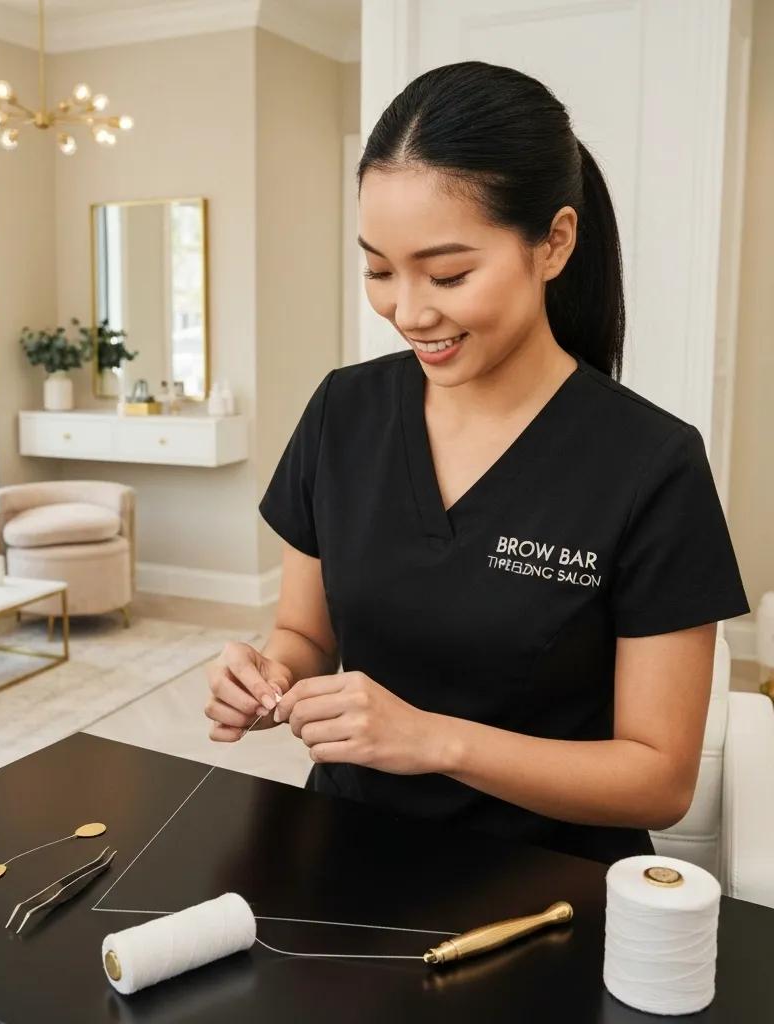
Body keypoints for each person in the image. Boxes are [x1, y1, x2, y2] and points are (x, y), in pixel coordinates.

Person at [202, 61, 750, 866]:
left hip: (549, 891)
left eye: (450, 273)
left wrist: (432, 741)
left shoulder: (652, 465)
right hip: (348, 852)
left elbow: (659, 779)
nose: (410, 312)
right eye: (380, 271)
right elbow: (304, 632)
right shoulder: (342, 412)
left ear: (554, 242)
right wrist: (268, 673)